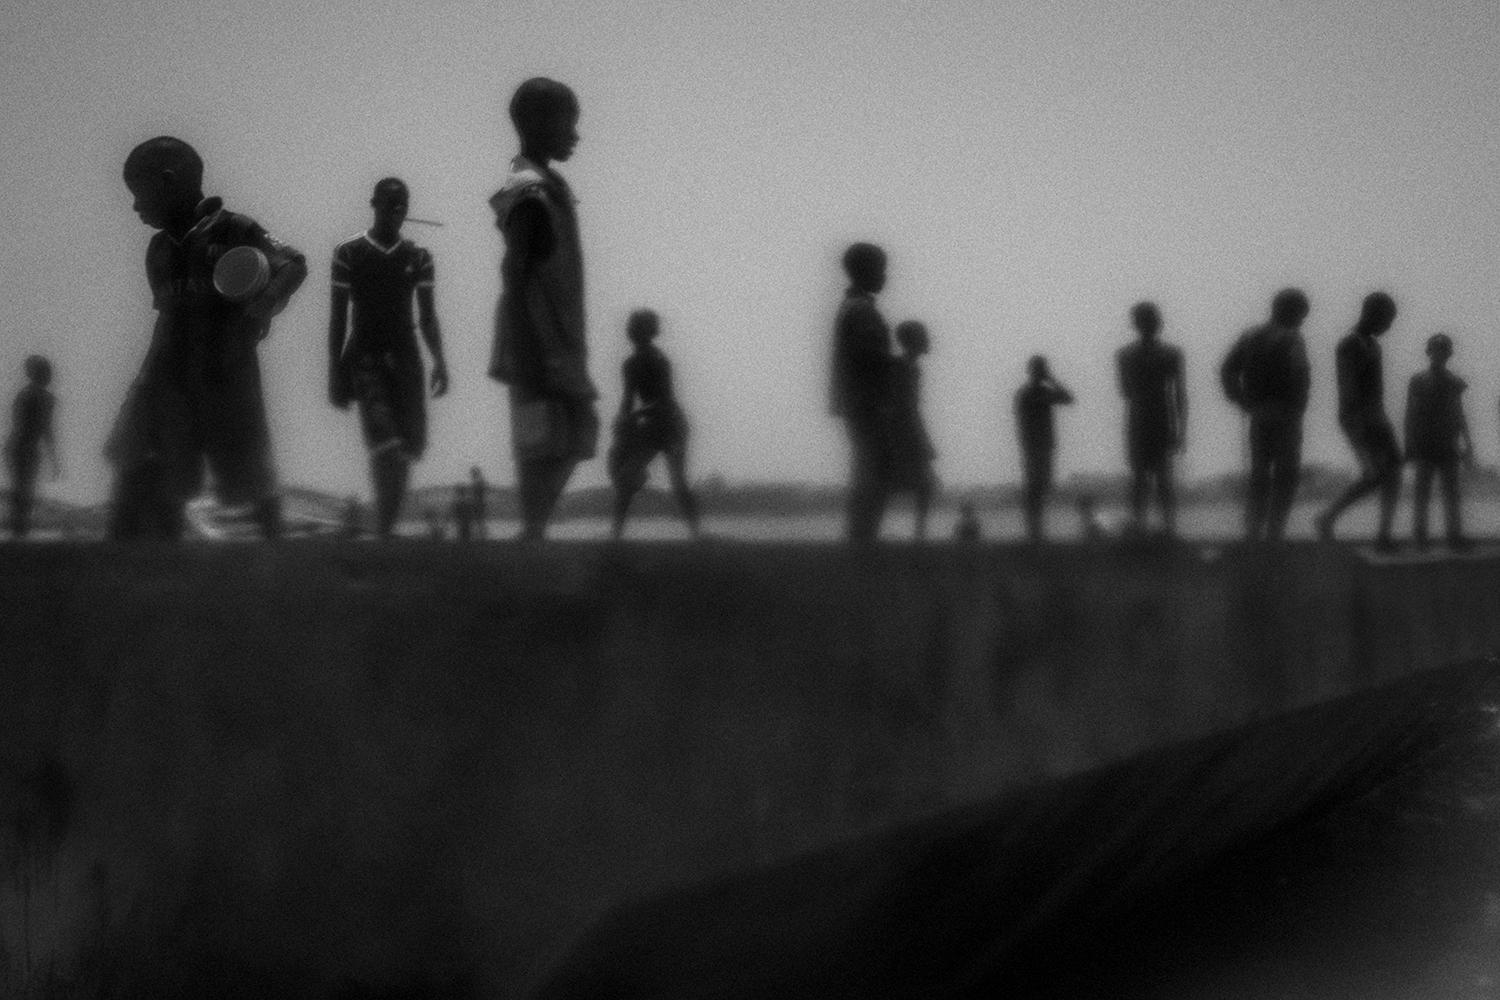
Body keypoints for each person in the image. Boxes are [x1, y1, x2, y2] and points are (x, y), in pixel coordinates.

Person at [107, 136, 306, 539]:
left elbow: (293, 264)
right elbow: (165, 322)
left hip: (227, 373)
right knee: (152, 464)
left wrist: (265, 302)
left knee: (245, 468)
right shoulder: (159, 251)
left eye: (139, 193)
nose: (135, 207)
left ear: (168, 181)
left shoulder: (236, 229)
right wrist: (143, 385)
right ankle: (153, 557)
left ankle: (275, 563)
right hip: (170, 377)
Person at [489, 78, 598, 541]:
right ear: (536, 124)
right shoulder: (529, 192)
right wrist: (529, 351)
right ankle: (533, 532)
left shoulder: (549, 186)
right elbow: (514, 275)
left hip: (559, 338)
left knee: (572, 434)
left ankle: (534, 530)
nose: (574, 134)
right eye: (567, 123)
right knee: (543, 440)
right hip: (535, 337)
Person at [329, 178, 450, 539]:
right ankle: (384, 529)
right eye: (390, 204)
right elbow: (337, 318)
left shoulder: (419, 257)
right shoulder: (348, 253)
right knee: (386, 443)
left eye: (402, 206)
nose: (397, 212)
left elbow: (427, 316)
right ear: (374, 204)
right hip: (365, 356)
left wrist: (440, 361)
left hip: (406, 358)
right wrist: (334, 371)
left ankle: (386, 529)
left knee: (409, 447)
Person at [1220, 288, 1311, 542]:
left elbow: (1227, 369)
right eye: (1300, 315)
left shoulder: (1250, 336)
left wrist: (1240, 399)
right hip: (1286, 414)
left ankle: (1252, 529)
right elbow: (1300, 375)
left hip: (1258, 414)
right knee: (1287, 473)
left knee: (1259, 472)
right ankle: (1275, 531)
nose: (1301, 320)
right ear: (1288, 311)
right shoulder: (1293, 338)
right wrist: (1299, 408)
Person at [1315, 292, 1402, 551]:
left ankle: (1384, 535)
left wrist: (1379, 419)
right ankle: (1328, 516)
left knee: (1394, 471)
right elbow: (1348, 387)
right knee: (1374, 474)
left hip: (1377, 416)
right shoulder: (1350, 344)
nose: (1389, 326)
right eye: (1387, 320)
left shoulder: (1373, 345)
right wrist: (1357, 423)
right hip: (1359, 417)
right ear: (1372, 315)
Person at [608, 309, 700, 540]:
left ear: (648, 332)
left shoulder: (659, 361)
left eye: (637, 327)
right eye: (631, 327)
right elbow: (628, 399)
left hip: (671, 425)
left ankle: (696, 534)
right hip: (651, 425)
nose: (631, 331)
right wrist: (622, 423)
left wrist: (635, 415)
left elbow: (664, 399)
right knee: (627, 476)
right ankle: (615, 534)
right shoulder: (630, 364)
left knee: (678, 481)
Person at [829, 242, 895, 543]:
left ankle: (861, 538)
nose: (885, 276)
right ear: (865, 271)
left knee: (866, 471)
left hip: (858, 402)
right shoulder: (862, 310)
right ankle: (863, 539)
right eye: (882, 269)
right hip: (868, 403)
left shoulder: (851, 307)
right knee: (873, 473)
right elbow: (870, 359)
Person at [1116, 301, 1186, 536]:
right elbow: (1180, 396)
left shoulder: (1125, 355)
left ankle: (1150, 526)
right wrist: (1181, 430)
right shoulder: (1171, 353)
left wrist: (1181, 431)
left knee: (1148, 477)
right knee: (1154, 477)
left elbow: (1125, 390)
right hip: (1156, 416)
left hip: (1142, 416)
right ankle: (1159, 526)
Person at [1404, 333, 1474, 551]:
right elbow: (1410, 414)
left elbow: (1459, 413)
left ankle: (1454, 537)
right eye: (1435, 350)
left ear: (1449, 354)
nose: (1440, 354)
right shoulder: (1417, 380)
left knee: (1452, 493)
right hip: (1424, 444)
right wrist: (1408, 444)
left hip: (1448, 445)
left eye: (1444, 350)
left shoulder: (1455, 382)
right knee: (1421, 494)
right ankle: (1419, 538)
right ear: (1429, 352)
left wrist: (1468, 444)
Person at [1014, 355, 1074, 542]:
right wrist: (1051, 381)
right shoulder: (1027, 393)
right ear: (1032, 371)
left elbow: (1068, 399)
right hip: (1033, 446)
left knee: (1042, 486)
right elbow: (1021, 420)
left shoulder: (1040, 392)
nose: (1041, 373)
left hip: (1045, 445)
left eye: (1043, 370)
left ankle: (1036, 530)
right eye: (1040, 370)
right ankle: (1034, 531)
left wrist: (1052, 380)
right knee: (1034, 487)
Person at [888, 320, 938, 540]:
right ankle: (919, 535)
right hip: (903, 434)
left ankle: (919, 533)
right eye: (923, 335)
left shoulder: (909, 367)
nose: (928, 339)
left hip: (904, 432)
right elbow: (909, 407)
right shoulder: (906, 368)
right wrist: (923, 440)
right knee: (924, 484)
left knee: (923, 485)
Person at [6, 355, 60, 539]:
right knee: (24, 494)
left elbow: (19, 424)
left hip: (17, 448)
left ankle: (18, 536)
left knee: (20, 493)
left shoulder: (24, 395)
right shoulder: (45, 398)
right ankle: (20, 536)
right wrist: (54, 460)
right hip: (27, 450)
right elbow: (47, 430)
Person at [469, 466, 488, 539]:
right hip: (478, 503)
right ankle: (480, 534)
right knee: (479, 520)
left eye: (473, 473)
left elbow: (478, 493)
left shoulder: (478, 482)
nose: (472, 475)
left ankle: (481, 534)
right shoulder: (479, 481)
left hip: (478, 503)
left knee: (479, 519)